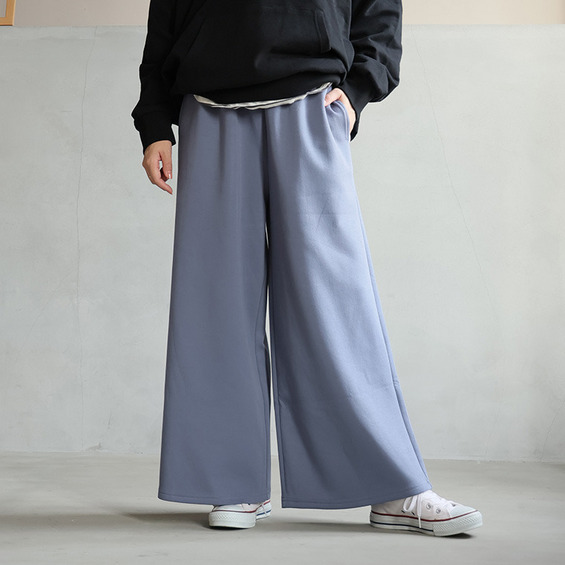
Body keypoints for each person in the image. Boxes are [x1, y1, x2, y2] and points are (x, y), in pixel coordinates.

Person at [131, 0, 483, 536]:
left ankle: (391, 487)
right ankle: (232, 482)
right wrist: (155, 123)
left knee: (336, 304)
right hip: (208, 105)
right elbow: (165, 23)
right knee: (215, 303)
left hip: (312, 103)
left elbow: (379, 11)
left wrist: (359, 91)